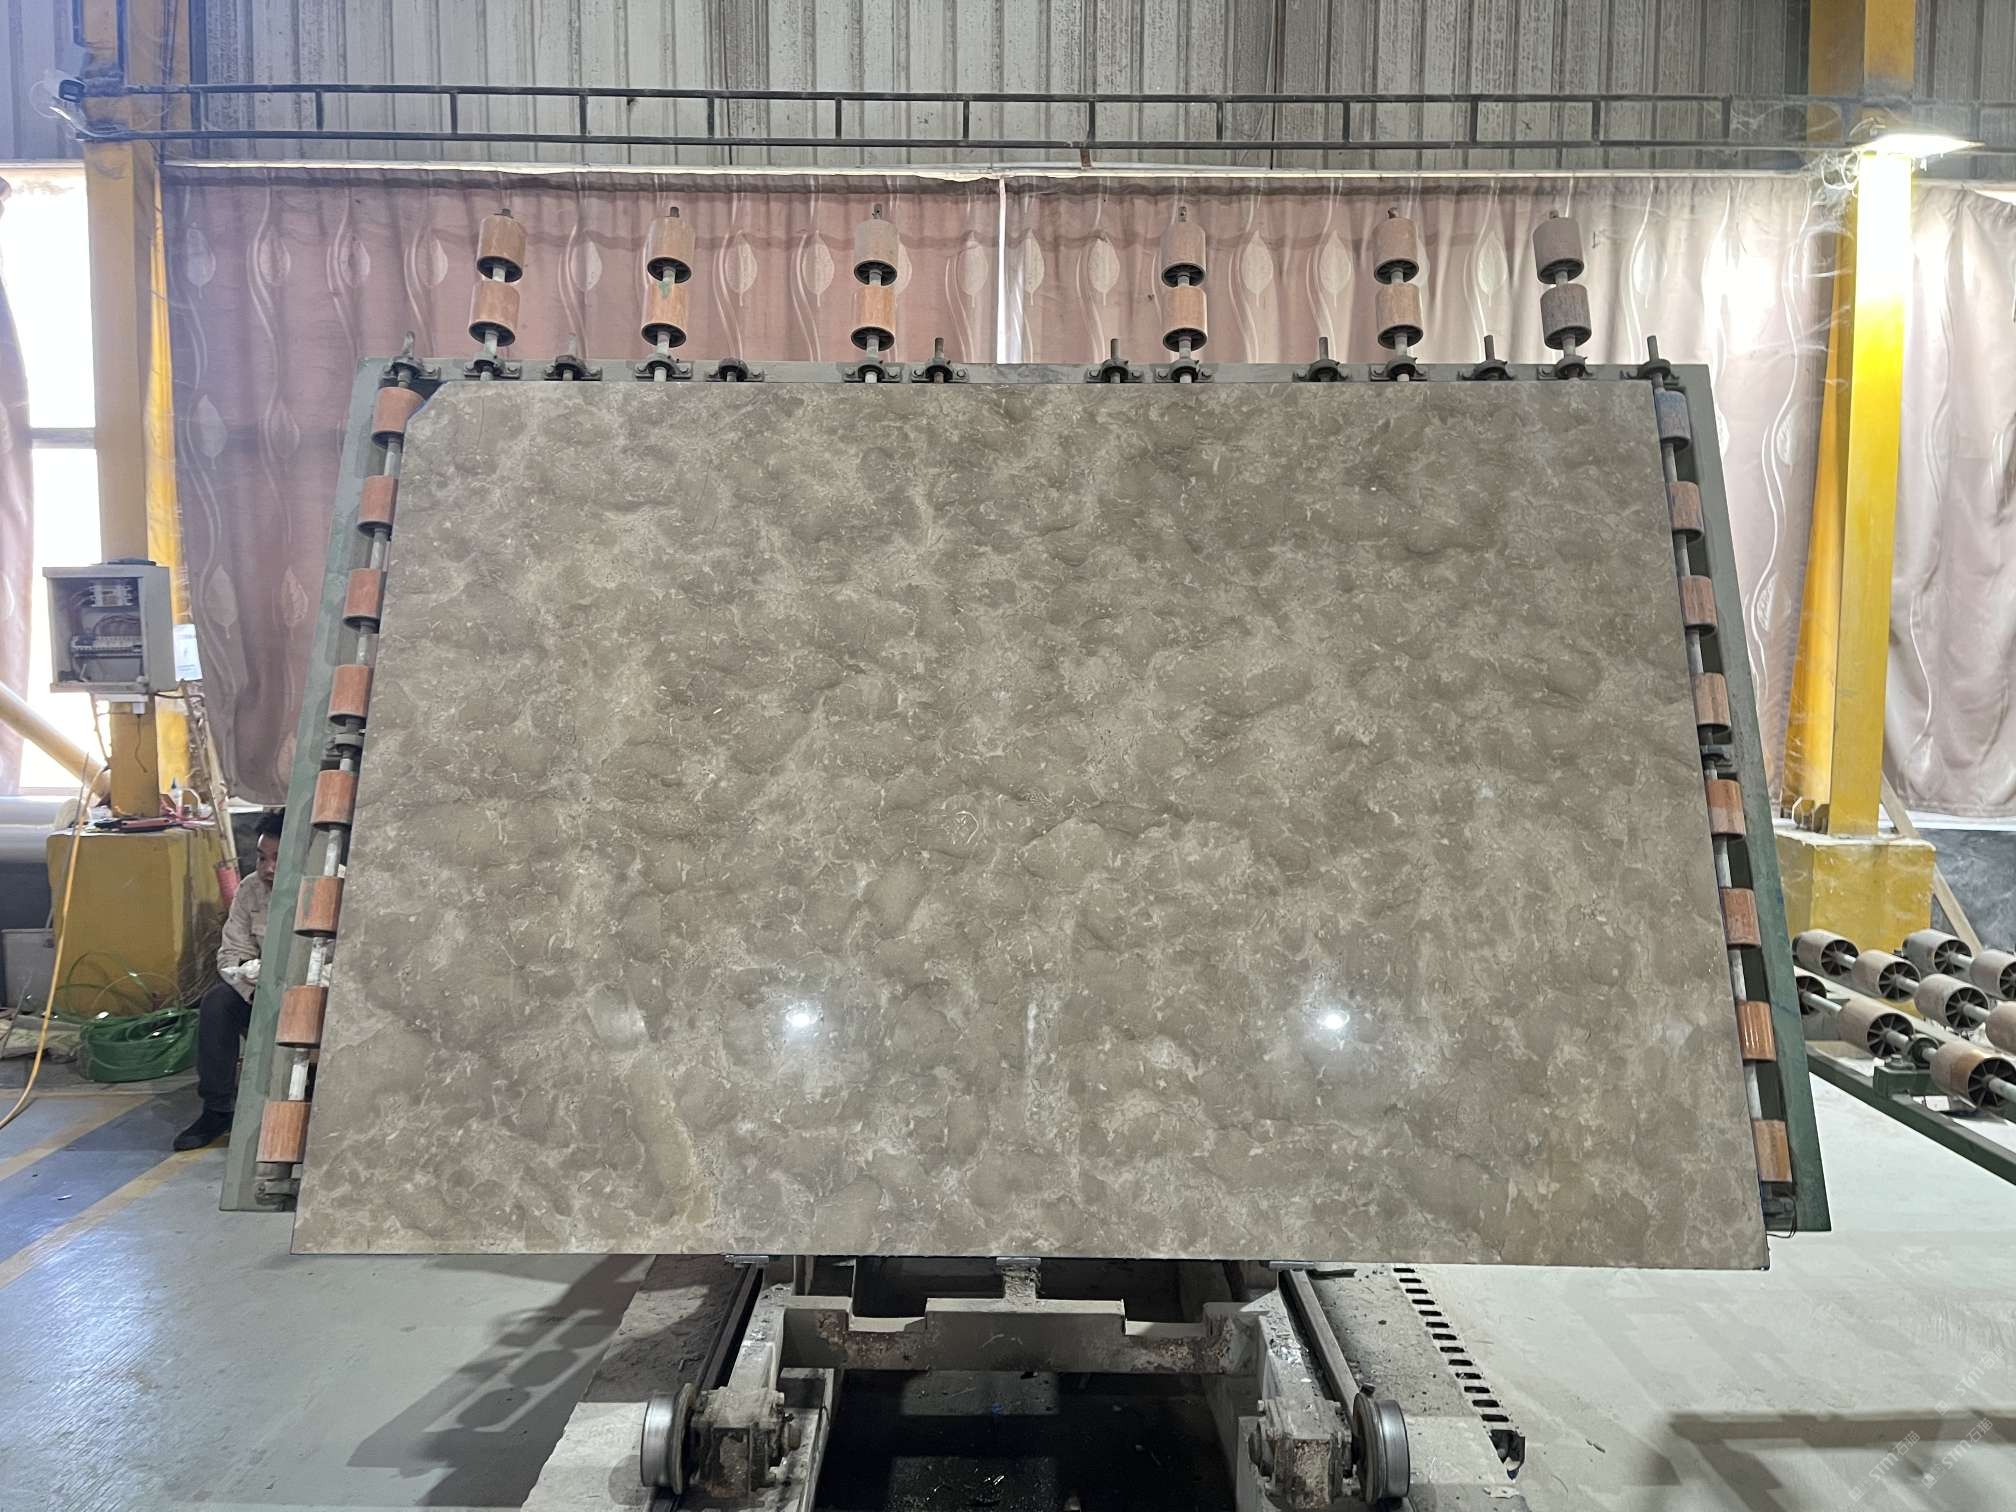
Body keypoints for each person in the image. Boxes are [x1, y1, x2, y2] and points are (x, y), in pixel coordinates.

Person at [174, 810, 283, 1151]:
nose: (267, 868)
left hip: (320, 1001)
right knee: (217, 1003)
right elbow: (232, 952)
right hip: (260, 994)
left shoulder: (335, 887)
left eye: (278, 859)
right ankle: (217, 1108)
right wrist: (254, 984)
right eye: (262, 857)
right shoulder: (250, 890)